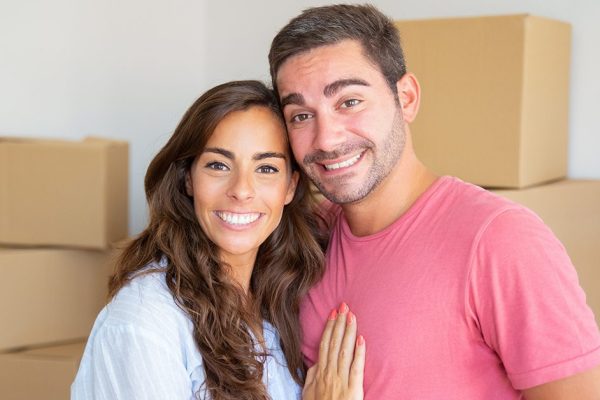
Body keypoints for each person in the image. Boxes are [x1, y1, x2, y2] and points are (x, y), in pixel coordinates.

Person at [268, 4, 600, 399]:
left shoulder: (500, 240)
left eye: (349, 102)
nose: (326, 139)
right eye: (301, 116)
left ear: (406, 98)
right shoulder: (309, 234)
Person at [71, 80, 365, 400]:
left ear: (290, 187)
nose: (241, 189)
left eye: (266, 168)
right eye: (218, 165)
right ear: (188, 179)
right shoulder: (145, 320)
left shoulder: (278, 302)